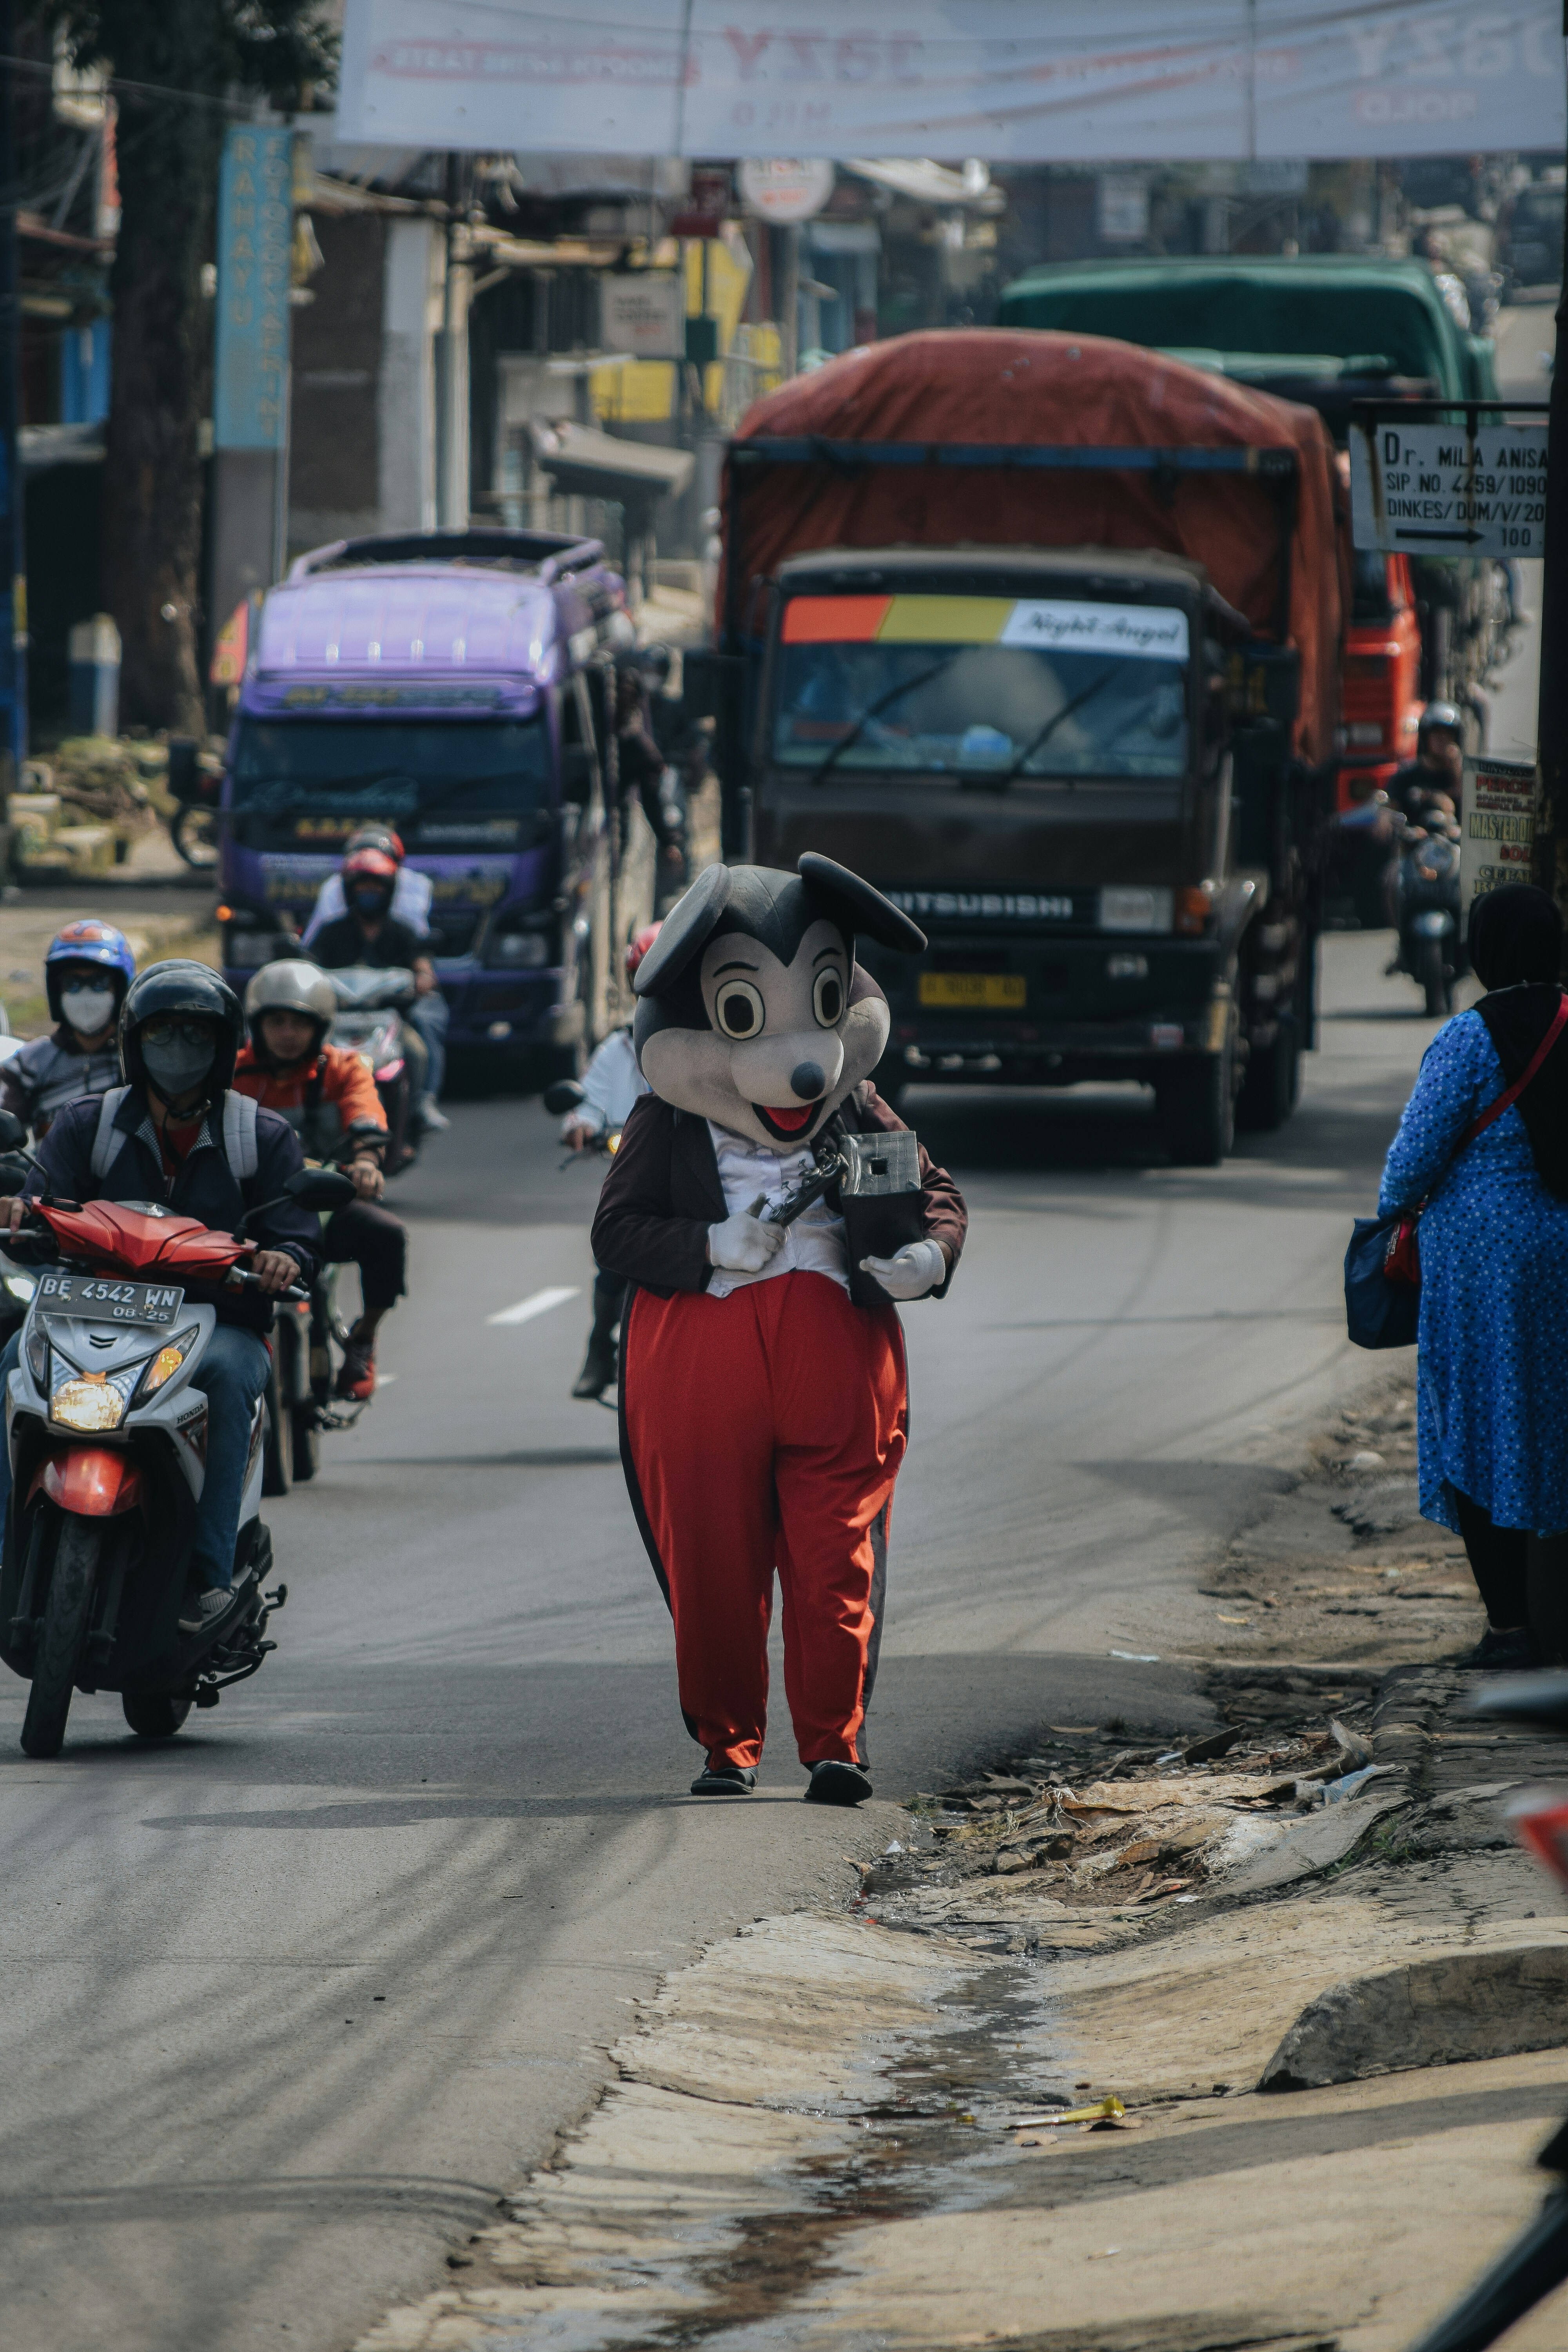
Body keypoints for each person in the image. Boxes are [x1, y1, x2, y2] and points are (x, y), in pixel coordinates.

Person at [594, 855, 966, 1806]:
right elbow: (617, 1232)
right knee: (713, 1556)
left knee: (834, 1553)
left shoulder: (857, 1108)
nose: (802, 1058)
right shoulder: (666, 1125)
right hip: (702, 1357)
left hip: (837, 1351)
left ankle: (833, 1742)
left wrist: (925, 1258)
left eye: (826, 1001)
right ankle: (729, 1745)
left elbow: (934, 1195)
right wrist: (711, 1243)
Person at [0, 962, 319, 1628]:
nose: (179, 1050)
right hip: (88, 1315)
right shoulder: (90, 1123)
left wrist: (283, 1259)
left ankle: (210, 1575)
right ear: (134, 1042)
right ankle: (8, 1554)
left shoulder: (259, 1135)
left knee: (234, 1380)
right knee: (6, 1365)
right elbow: (39, 1203)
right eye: (163, 1034)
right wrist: (18, 1213)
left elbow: (297, 1234)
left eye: (196, 1035)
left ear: (224, 1045)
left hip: (216, 1324)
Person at [1379, 883, 1568, 1670]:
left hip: (1481, 1275)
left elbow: (1410, 1162)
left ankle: (1508, 1629)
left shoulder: (1466, 1038)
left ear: (1482, 951)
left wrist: (1392, 1207)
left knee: (1483, 1433)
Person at [232, 961, 408, 1401]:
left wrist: (366, 1162)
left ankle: (363, 1338)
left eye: (298, 1023)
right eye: (276, 1022)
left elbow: (366, 1116)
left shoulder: (344, 1068)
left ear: (320, 1026)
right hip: (251, 1208)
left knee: (387, 1235)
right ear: (257, 1024)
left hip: (324, 1201)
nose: (287, 1033)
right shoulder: (231, 1072)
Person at [563, 924, 659, 1400]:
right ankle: (600, 1346)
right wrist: (581, 1125)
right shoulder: (618, 1047)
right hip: (637, 1179)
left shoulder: (714, 1039)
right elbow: (586, 1103)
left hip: (707, 1174)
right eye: (648, 977)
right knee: (614, 1255)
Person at [309, 845, 447, 1134]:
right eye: (362, 886)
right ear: (350, 890)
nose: (369, 892)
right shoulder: (332, 932)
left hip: (391, 1019)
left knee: (417, 1051)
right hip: (339, 1019)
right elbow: (310, 964)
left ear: (389, 890)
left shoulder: (402, 931)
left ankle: (416, 1115)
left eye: (376, 886)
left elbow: (421, 963)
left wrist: (423, 976)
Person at [1, 919, 136, 1138]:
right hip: (49, 1171)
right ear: (57, 991)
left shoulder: (139, 1059)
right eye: (72, 983)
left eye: (99, 982)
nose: (85, 994)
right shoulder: (29, 1065)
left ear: (120, 988)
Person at [301, 824, 434, 946]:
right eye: (363, 882)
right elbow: (313, 943)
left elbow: (418, 940)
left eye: (377, 883)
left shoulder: (417, 884)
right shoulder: (333, 887)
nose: (370, 888)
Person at [1388, 701, 1465, 824]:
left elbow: (1470, 808)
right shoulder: (1406, 775)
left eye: (1448, 735)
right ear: (1426, 736)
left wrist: (1457, 769)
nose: (1443, 740)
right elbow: (1391, 807)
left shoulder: (1459, 778)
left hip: (1450, 840)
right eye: (1437, 734)